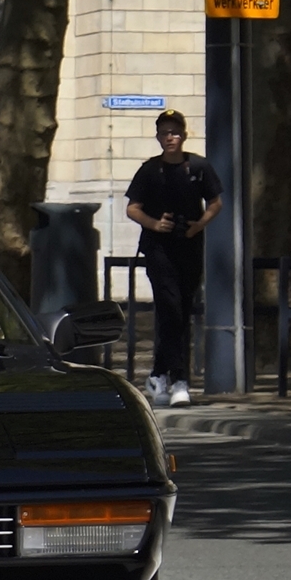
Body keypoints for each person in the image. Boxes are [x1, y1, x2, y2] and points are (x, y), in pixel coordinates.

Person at [123, 109, 221, 407]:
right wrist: (155, 224)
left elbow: (216, 202)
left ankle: (157, 374)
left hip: (189, 246)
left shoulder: (199, 167)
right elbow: (132, 208)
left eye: (175, 133)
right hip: (158, 248)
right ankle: (180, 379)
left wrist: (199, 224)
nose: (170, 138)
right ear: (158, 137)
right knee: (170, 307)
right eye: (165, 133)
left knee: (180, 311)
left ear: (184, 135)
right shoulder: (150, 170)